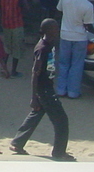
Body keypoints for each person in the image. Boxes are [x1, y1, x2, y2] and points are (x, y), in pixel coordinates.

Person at [9, 18, 75, 161]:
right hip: (44, 90)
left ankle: (17, 143)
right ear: (47, 30)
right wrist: (34, 97)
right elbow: (35, 73)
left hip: (45, 88)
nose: (57, 30)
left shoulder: (50, 44)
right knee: (62, 121)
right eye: (55, 28)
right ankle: (59, 152)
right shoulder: (42, 48)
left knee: (36, 114)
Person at [55, 0, 94, 100]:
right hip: (80, 38)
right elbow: (88, 25)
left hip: (65, 35)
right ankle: (73, 92)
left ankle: (60, 90)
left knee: (63, 63)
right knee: (76, 65)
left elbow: (59, 11)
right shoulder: (88, 5)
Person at [0, 0, 28, 77]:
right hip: (17, 25)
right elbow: (26, 9)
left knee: (7, 47)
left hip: (6, 24)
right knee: (17, 48)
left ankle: (4, 69)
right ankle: (13, 71)